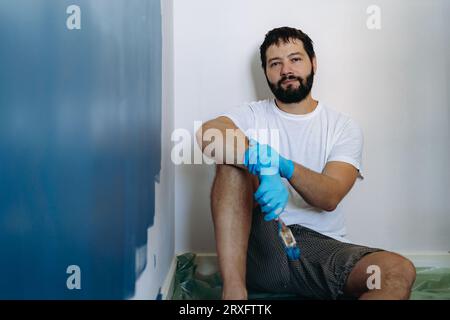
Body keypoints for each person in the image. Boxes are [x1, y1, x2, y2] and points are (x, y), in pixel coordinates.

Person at [196, 27, 416, 300]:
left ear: (313, 63)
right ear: (266, 71)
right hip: (263, 247)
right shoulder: (251, 115)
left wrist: (283, 166)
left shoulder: (343, 127)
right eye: (275, 63)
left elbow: (330, 195)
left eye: (295, 59)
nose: (286, 70)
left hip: (322, 248)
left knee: (397, 271)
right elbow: (209, 134)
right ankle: (234, 296)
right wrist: (263, 166)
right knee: (230, 165)